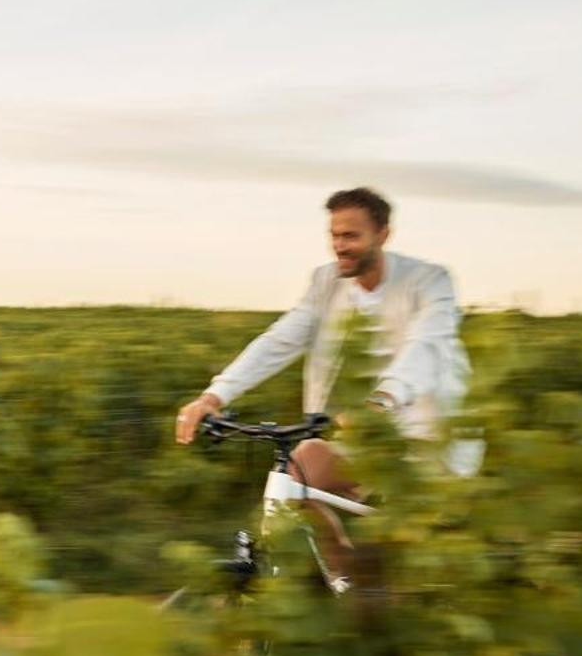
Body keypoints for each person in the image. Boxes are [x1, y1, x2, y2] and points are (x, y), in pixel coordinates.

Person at [174, 187, 474, 590]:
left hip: (428, 439)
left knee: (409, 556)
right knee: (297, 473)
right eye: (334, 235)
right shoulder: (326, 282)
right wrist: (214, 396)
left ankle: (381, 601)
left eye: (351, 236)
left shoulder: (428, 281)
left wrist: (381, 403)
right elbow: (281, 339)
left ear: (383, 234)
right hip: (360, 435)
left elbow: (426, 348)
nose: (340, 246)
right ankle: (347, 582)